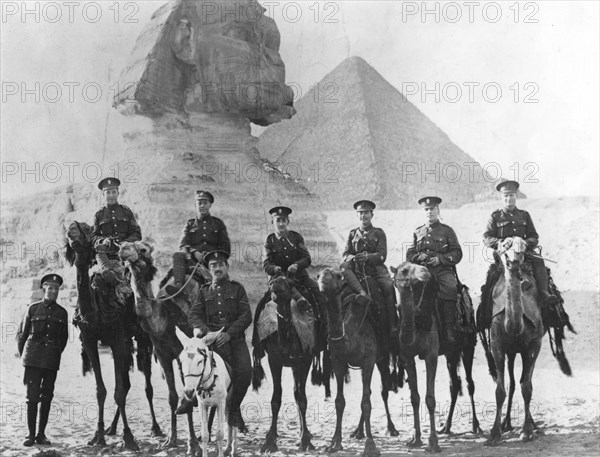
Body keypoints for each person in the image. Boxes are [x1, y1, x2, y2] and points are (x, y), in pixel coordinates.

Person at [177, 251, 252, 428]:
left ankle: (233, 410)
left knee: (245, 372)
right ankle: (189, 398)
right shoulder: (204, 291)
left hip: (233, 339)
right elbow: (193, 316)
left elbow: (246, 315)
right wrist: (207, 332)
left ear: (227, 267)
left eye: (220, 265)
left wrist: (229, 333)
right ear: (209, 270)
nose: (217, 269)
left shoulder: (237, 288)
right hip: (211, 341)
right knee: (193, 363)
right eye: (213, 266)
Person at [252, 206, 327, 356]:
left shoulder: (296, 237)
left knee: (320, 296)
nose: (281, 224)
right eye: (277, 220)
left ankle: (323, 338)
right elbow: (266, 264)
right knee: (261, 305)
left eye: (283, 220)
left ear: (288, 221)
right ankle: (257, 345)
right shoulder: (270, 240)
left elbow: (307, 258)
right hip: (279, 281)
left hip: (299, 278)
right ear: (273, 222)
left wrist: (297, 265)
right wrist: (274, 269)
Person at [483, 180, 558, 306]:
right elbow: (487, 237)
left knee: (539, 259)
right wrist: (500, 242)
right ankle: (484, 312)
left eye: (511, 195)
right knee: (490, 281)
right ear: (501, 197)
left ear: (516, 195)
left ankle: (544, 293)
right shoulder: (495, 216)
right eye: (505, 196)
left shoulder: (524, 215)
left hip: (523, 251)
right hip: (503, 252)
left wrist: (524, 242)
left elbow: (534, 236)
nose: (508, 199)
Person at [16, 274, 69, 447]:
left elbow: (63, 339)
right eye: (50, 288)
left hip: (51, 361)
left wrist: (53, 353)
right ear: (44, 289)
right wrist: (27, 356)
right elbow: (21, 336)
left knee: (47, 398)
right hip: (33, 360)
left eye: (56, 289)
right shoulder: (33, 309)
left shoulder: (62, 312)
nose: (53, 291)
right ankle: (30, 435)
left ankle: (41, 434)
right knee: (32, 398)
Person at [406, 197, 463, 342]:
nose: (429, 212)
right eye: (426, 209)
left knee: (450, 287)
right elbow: (410, 254)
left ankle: (450, 327)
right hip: (422, 270)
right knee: (408, 289)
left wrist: (440, 259)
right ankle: (410, 325)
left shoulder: (447, 231)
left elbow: (457, 253)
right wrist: (419, 257)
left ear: (438, 210)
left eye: (432, 209)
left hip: (442, 270)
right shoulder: (418, 231)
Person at [340, 200, 397, 337]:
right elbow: (345, 254)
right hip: (356, 271)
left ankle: (393, 325)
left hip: (376, 271)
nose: (363, 216)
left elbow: (382, 254)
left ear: (372, 215)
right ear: (357, 215)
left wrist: (368, 257)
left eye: (366, 213)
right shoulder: (352, 233)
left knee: (388, 286)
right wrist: (352, 258)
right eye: (360, 213)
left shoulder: (379, 233)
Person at [165, 190, 231, 296]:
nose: (202, 206)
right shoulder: (190, 224)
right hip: (192, 260)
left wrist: (210, 256)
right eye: (199, 203)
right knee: (177, 255)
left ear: (210, 205)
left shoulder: (218, 224)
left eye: (205, 203)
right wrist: (194, 251)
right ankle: (177, 286)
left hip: (211, 261)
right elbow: (183, 244)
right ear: (195, 205)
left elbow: (225, 248)